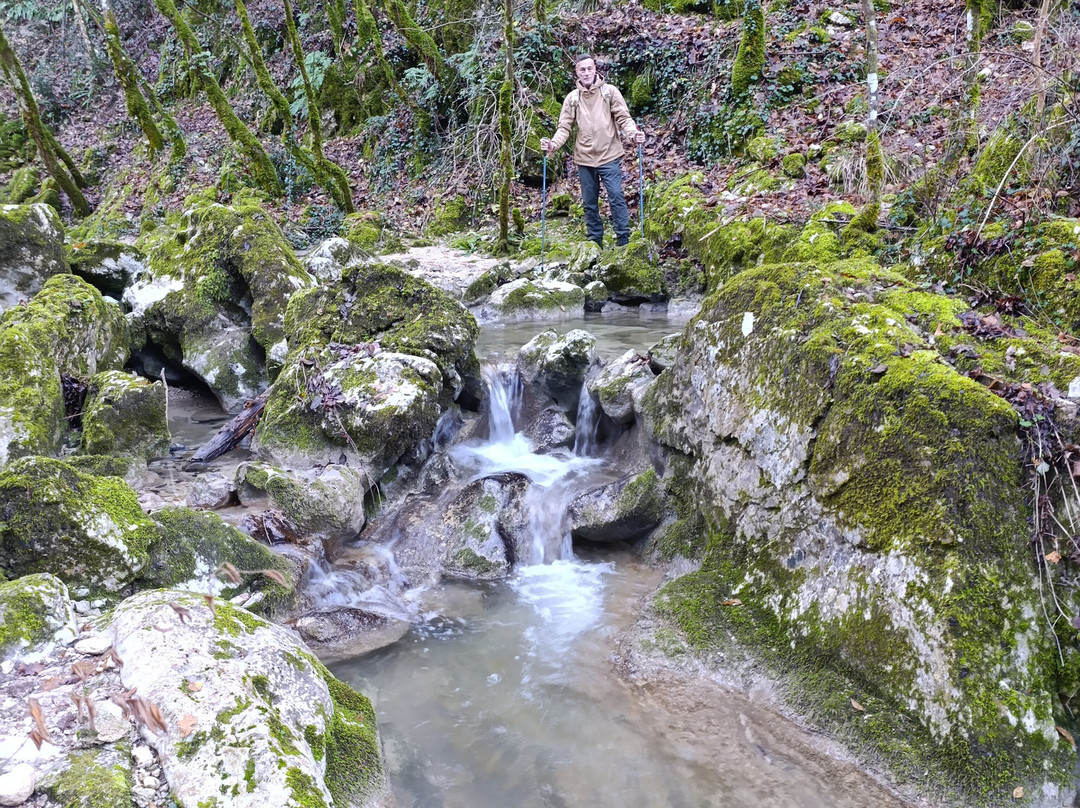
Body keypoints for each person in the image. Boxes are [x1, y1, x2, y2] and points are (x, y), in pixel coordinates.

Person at [541, 54, 645, 248]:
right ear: (577, 72)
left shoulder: (610, 92)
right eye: (582, 69)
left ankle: (623, 241)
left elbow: (623, 118)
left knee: (616, 196)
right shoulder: (572, 99)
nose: (587, 73)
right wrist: (552, 145)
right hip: (584, 158)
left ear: (595, 69)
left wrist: (633, 135)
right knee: (589, 203)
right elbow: (564, 127)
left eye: (590, 68)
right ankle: (595, 243)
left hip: (609, 155)